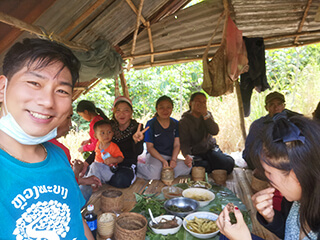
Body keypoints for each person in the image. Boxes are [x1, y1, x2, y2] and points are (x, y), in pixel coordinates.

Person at [0, 38, 93, 239]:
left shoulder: (58, 155)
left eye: (61, 91)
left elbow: (75, 217)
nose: (47, 101)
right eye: (34, 83)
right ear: (2, 87)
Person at [217, 116, 320, 240]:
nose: (266, 177)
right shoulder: (296, 199)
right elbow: (290, 234)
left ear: (297, 175)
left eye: (269, 172)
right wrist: (271, 217)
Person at [80, 96, 148, 188]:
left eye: (126, 110)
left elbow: (138, 152)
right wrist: (86, 163)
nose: (121, 114)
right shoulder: (109, 126)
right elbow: (100, 146)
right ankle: (101, 179)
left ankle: (100, 180)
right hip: (107, 165)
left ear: (131, 112)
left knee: (121, 180)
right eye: (118, 110)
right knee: (89, 169)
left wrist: (137, 141)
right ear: (114, 112)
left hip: (125, 166)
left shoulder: (137, 129)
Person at [243, 91, 301, 170]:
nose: (276, 108)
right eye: (272, 105)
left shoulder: (293, 120)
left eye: (279, 104)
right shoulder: (258, 125)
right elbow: (248, 151)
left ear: (284, 106)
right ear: (266, 108)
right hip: (266, 162)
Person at [137, 95, 191, 180]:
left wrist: (173, 159)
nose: (165, 110)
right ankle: (136, 167)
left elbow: (177, 145)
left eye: (168, 107)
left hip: (170, 156)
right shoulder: (151, 124)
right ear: (156, 109)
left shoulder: (176, 124)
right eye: (161, 107)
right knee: (154, 174)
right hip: (155, 156)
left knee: (188, 167)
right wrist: (163, 161)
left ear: (172, 108)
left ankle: (165, 170)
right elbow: (150, 148)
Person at [179, 92, 234, 174]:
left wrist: (205, 115)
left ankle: (218, 159)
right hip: (196, 153)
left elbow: (214, 131)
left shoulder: (207, 115)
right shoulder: (184, 121)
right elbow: (184, 142)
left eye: (204, 102)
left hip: (210, 149)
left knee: (228, 164)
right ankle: (211, 164)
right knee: (198, 168)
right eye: (198, 101)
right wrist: (187, 155)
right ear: (191, 103)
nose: (201, 104)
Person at [49, 108, 101, 188]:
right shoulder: (56, 149)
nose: (70, 124)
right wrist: (76, 170)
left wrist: (83, 180)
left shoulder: (45, 144)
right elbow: (64, 186)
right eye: (68, 117)